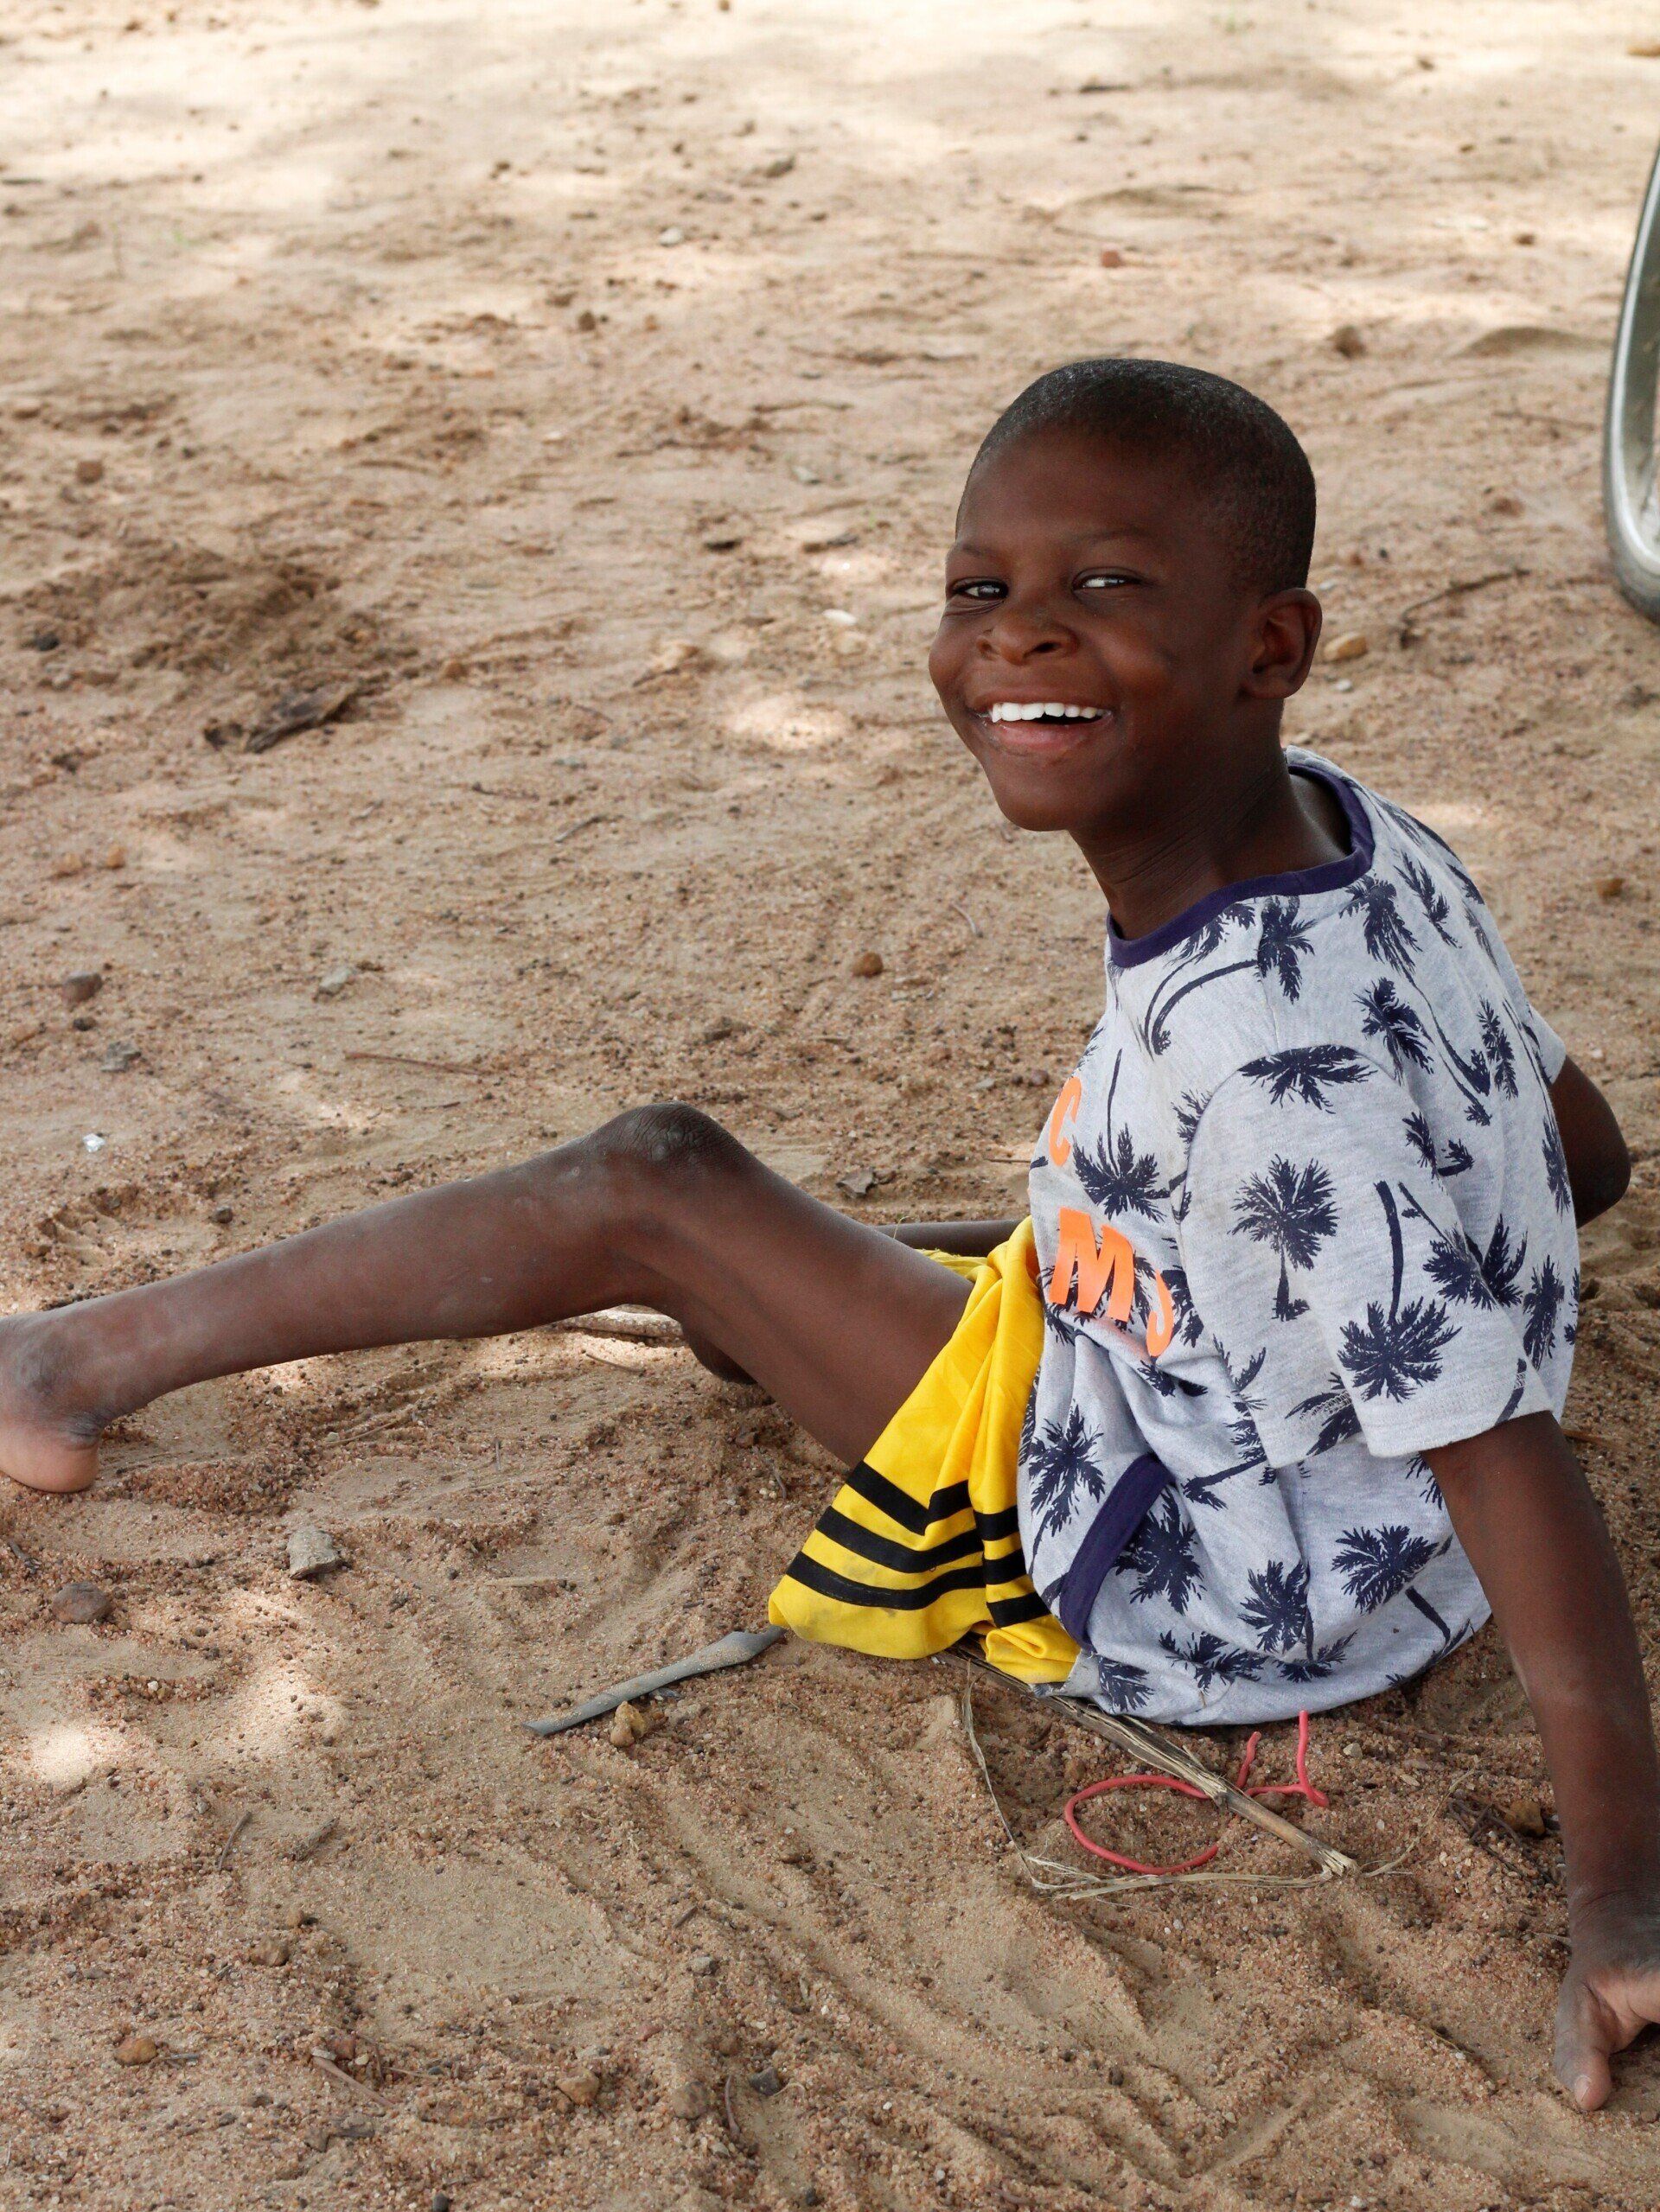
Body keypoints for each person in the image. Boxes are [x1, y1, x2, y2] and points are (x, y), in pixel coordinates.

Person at [1, 358, 1651, 2113]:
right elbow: (1586, 1152)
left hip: (1208, 1566)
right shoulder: (1355, 825)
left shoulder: (1257, 1056)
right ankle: (764, 1302)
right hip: (1286, 1459)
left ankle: (67, 1357)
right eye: (979, 589)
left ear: (1272, 644)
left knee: (656, 1181)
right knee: (757, 1272)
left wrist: (1624, 1896)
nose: (1019, 636)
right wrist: (1213, 1248)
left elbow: (1503, 1456)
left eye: (1105, 584)